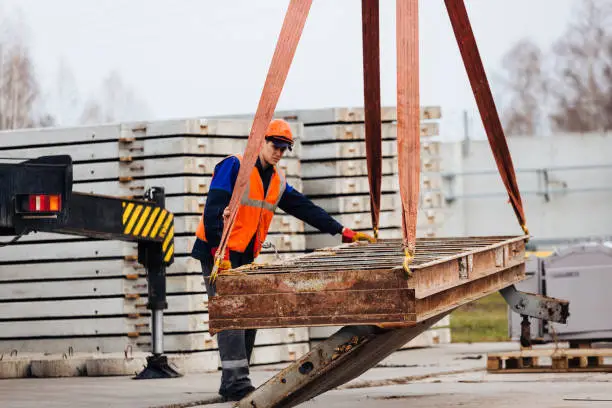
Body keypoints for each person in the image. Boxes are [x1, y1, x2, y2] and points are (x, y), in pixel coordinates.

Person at [191, 118, 375, 402]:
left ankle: (234, 382)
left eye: (284, 148)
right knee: (231, 316)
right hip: (218, 251)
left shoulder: (276, 181)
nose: (279, 152)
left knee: (249, 316)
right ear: (261, 141)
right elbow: (214, 208)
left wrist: (341, 231)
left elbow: (305, 208)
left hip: (245, 255)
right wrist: (220, 252)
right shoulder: (234, 166)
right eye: (275, 145)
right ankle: (236, 383)